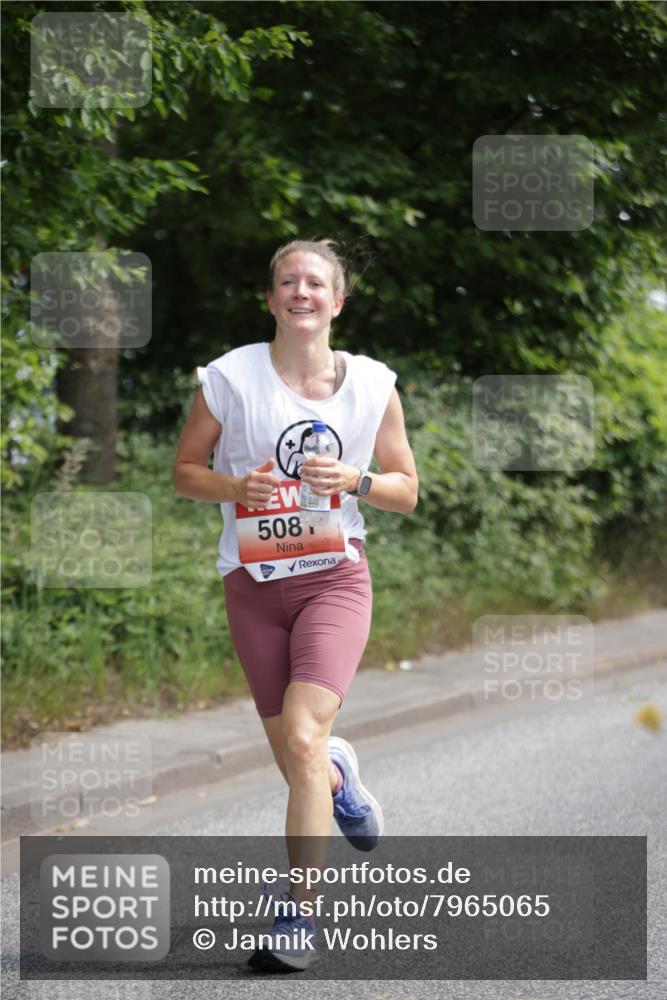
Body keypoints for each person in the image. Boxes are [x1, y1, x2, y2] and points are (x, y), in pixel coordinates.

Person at [172, 238, 418, 971]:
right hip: (252, 588)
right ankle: (339, 780)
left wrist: (357, 480)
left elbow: (406, 489)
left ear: (336, 302)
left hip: (332, 579)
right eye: (288, 281)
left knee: (303, 740)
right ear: (271, 298)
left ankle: (298, 917)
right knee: (301, 758)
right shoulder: (229, 377)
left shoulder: (372, 385)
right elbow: (185, 472)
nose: (301, 291)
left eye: (315, 282)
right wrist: (231, 488)